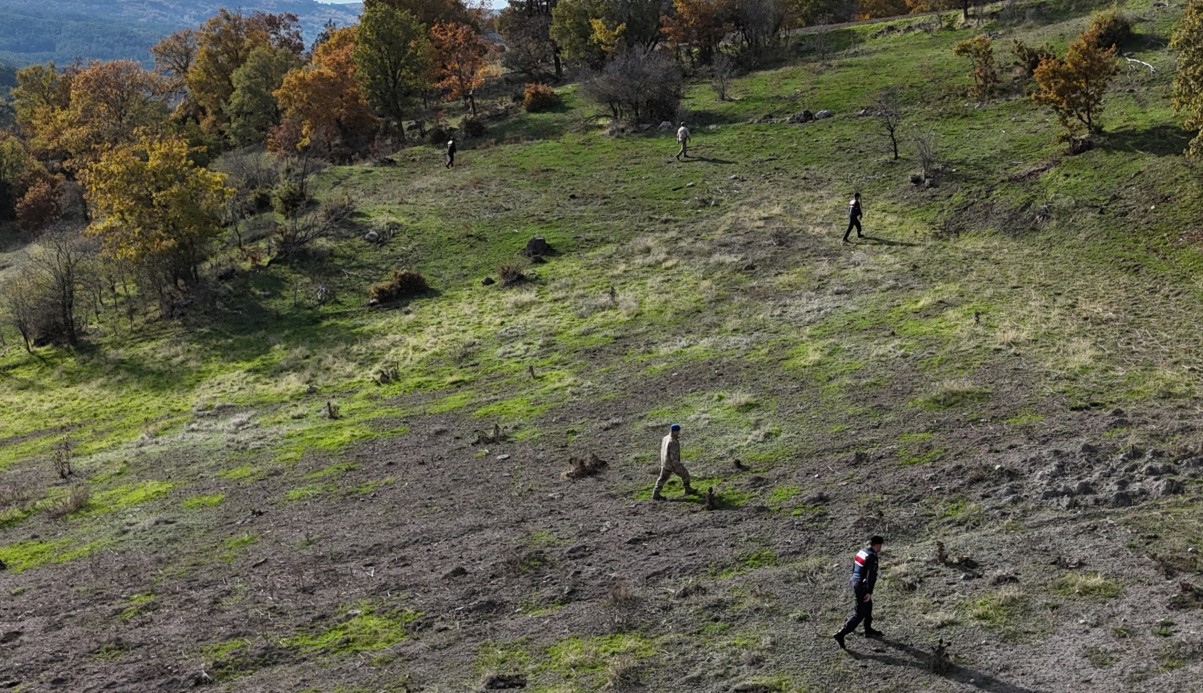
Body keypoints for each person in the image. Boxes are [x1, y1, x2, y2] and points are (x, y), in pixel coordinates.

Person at [833, 535, 885, 649]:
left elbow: (855, 567)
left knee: (868, 606)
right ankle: (841, 634)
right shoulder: (872, 557)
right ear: (877, 545)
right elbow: (871, 576)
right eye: (880, 545)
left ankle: (868, 630)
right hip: (861, 585)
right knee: (860, 613)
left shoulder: (862, 551)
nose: (881, 548)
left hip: (854, 580)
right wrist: (869, 591)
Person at [653, 423, 698, 500]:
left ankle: (656, 493)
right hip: (672, 464)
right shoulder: (673, 441)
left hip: (665, 463)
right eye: (678, 431)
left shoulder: (665, 438)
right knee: (685, 474)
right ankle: (688, 489)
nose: (679, 433)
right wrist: (677, 465)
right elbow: (673, 456)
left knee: (662, 478)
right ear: (674, 431)